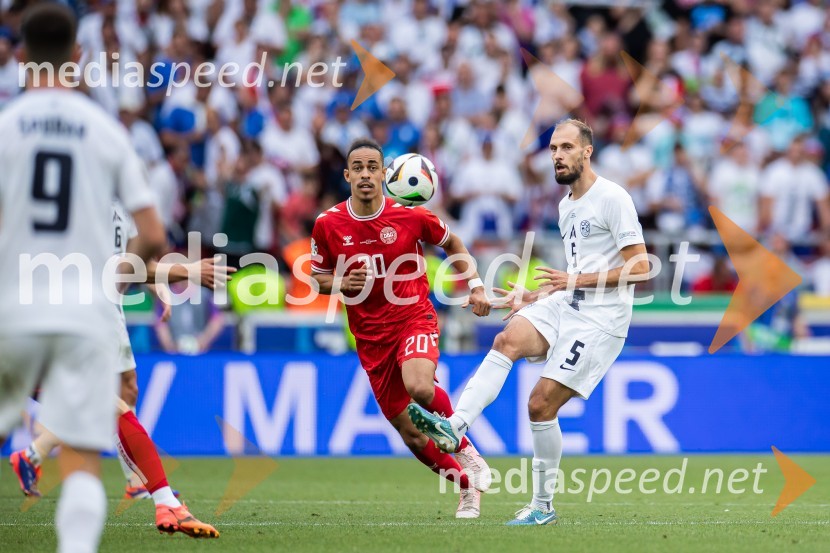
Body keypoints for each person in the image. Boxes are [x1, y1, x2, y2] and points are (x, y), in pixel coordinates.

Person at [409, 119, 650, 525]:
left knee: (539, 405)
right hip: (568, 303)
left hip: (601, 319)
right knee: (507, 339)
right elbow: (578, 270)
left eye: (567, 148)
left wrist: (572, 281)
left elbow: (642, 267)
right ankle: (454, 427)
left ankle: (542, 506)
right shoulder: (566, 205)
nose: (557, 155)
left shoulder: (612, 197)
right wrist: (535, 295)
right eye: (554, 148)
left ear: (587, 152)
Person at [0, 5, 166, 552]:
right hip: (79, 312)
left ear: (21, 58)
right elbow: (153, 233)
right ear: (78, 59)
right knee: (81, 458)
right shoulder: (106, 132)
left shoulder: (6, 129)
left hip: (13, 305)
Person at [10, 203, 226, 538]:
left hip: (62, 321)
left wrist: (166, 283)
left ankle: (156, 496)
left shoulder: (107, 201)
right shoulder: (81, 201)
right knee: (108, 406)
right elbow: (121, 268)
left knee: (113, 403)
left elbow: (128, 263)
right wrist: (188, 272)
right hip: (42, 326)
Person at [310, 138, 493, 519]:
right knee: (410, 434)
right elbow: (318, 278)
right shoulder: (328, 224)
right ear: (346, 175)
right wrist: (341, 282)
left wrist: (475, 284)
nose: (364, 174)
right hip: (370, 337)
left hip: (413, 316)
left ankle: (466, 450)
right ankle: (467, 491)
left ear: (384, 174)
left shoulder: (410, 215)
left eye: (371, 167)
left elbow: (452, 241)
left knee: (420, 386)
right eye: (357, 168)